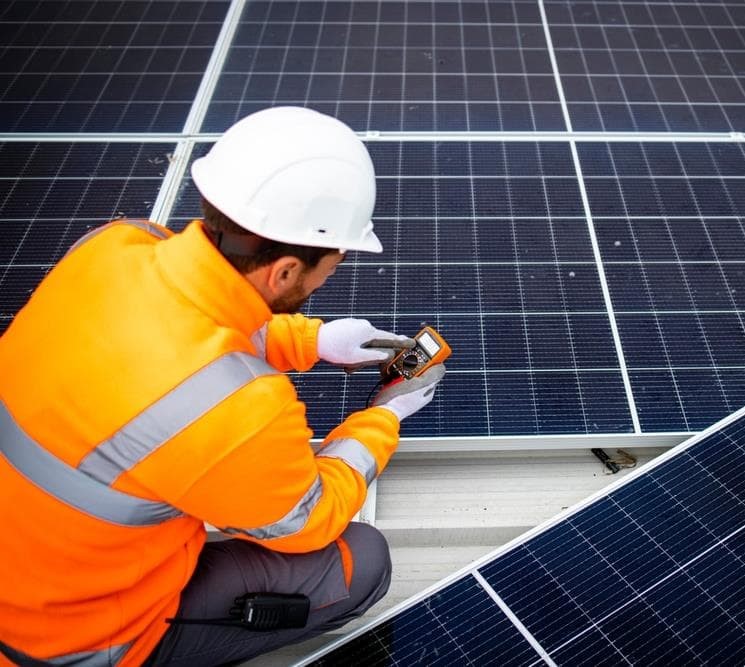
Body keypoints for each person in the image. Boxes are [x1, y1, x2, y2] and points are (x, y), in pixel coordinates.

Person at [0, 107, 445, 666]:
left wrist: (311, 340)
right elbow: (309, 520)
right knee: (362, 562)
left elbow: (177, 326)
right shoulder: (240, 409)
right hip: (66, 641)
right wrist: (385, 414)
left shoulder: (115, 248)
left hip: (21, 568)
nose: (335, 271)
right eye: (335, 261)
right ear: (284, 272)